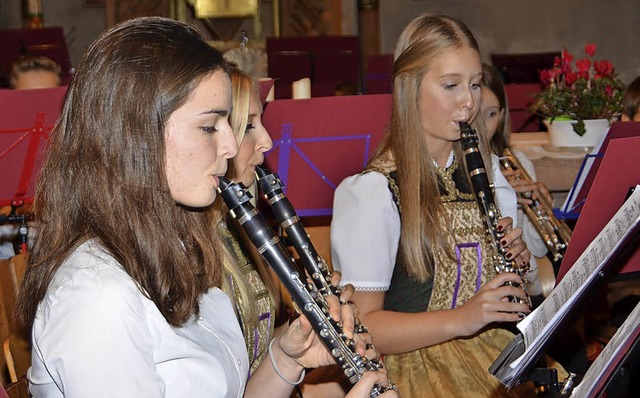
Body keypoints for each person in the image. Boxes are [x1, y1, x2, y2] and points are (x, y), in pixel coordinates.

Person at [16, 16, 394, 397]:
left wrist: (286, 357)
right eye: (210, 126)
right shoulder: (98, 299)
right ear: (136, 134)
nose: (231, 147)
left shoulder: (175, 247)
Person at [330, 12, 550, 397]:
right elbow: (361, 327)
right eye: (451, 85)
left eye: (476, 84)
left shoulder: (491, 175)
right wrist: (462, 319)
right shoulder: (374, 191)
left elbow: (526, 293)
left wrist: (524, 266)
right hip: (412, 371)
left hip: (494, 355)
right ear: (410, 88)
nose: (469, 102)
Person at [480, 63, 552, 299]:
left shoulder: (516, 161)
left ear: (501, 116)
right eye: (476, 115)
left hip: (518, 286)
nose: (482, 126)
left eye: (491, 114)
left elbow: (538, 252)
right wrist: (499, 194)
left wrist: (537, 209)